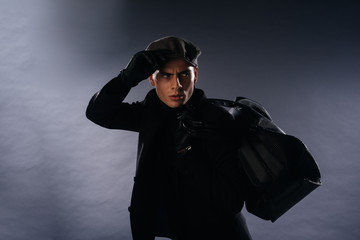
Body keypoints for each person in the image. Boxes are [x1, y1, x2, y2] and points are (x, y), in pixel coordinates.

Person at [86, 36, 253, 240]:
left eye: (184, 74)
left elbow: (231, 202)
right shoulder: (151, 112)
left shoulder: (215, 119)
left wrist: (187, 155)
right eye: (165, 75)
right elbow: (98, 113)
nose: (176, 85)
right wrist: (126, 79)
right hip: (176, 231)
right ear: (151, 79)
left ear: (196, 75)